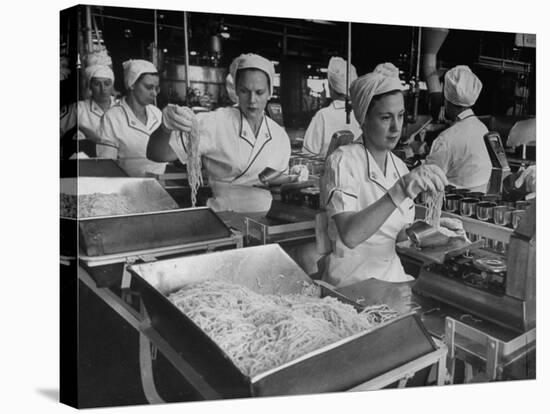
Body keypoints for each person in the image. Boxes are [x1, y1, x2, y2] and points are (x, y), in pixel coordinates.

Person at [321, 67, 449, 288]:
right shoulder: (343, 161)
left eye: (400, 116)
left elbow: (397, 235)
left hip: (393, 277)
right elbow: (350, 235)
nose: (396, 127)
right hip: (353, 281)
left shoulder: (398, 166)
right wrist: (399, 190)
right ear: (363, 119)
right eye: (385, 117)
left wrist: (432, 232)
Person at [147, 53, 291, 212]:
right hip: (223, 217)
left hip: (265, 220)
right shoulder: (215, 123)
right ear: (235, 90)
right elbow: (157, 154)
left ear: (269, 92)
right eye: (244, 91)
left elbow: (278, 186)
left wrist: (296, 177)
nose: (252, 100)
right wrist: (165, 128)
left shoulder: (279, 135)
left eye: (259, 92)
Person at [425, 65, 492, 193]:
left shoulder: (447, 138)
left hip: (451, 205)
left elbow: (428, 180)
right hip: (479, 202)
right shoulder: (483, 129)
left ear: (447, 99)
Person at [97, 59, 166, 177]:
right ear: (132, 84)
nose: (154, 93)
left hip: (161, 183)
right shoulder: (112, 118)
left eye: (156, 88)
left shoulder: (157, 113)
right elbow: (106, 164)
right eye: (149, 87)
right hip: (127, 185)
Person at [302, 57, 362, 158]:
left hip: (327, 172)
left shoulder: (323, 115)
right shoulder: (362, 115)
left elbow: (308, 155)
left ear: (330, 87)